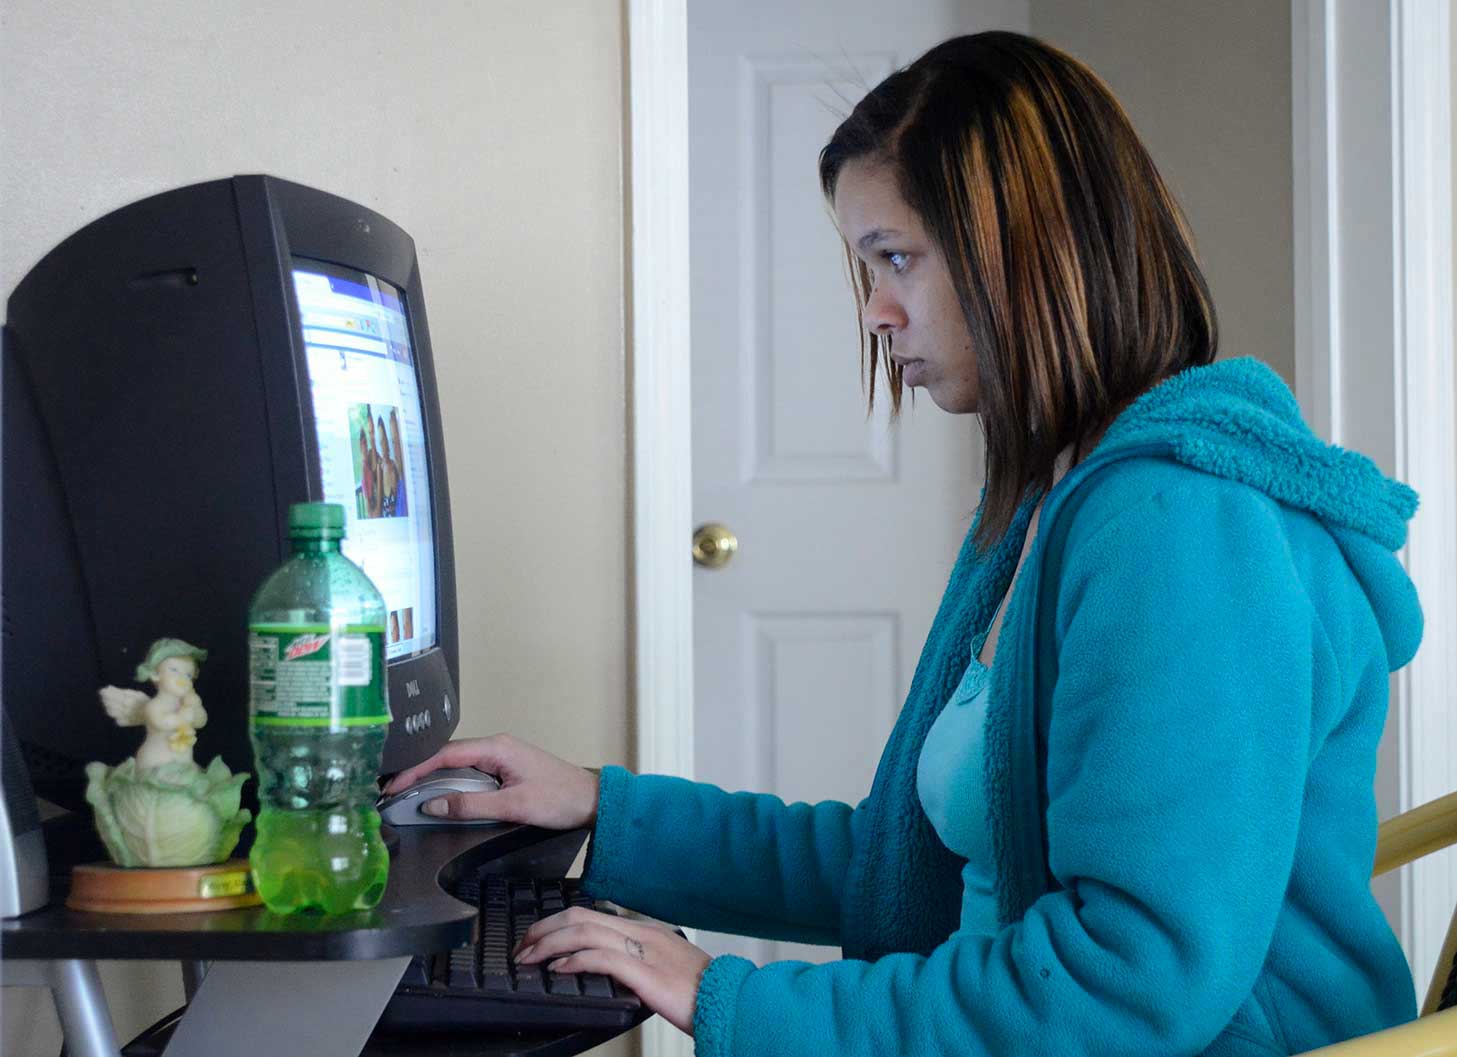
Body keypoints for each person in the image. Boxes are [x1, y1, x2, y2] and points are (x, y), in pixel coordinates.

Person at [384, 31, 1422, 1056]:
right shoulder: (1050, 507)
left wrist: (731, 998)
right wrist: (602, 808)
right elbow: (901, 867)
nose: (875, 312)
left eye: (895, 260)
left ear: (1030, 248)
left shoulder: (1180, 531)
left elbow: (1129, 979)